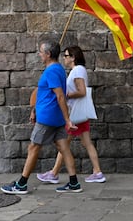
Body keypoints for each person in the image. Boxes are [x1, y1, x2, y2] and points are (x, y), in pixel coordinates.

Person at [1, 41, 82, 194]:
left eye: (40, 52)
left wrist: (67, 119)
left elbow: (59, 96)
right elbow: (44, 94)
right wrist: (34, 111)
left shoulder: (51, 72)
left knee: (33, 147)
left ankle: (21, 184)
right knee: (63, 148)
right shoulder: (58, 68)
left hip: (48, 117)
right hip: (53, 115)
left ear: (48, 54)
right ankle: (74, 183)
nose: (39, 54)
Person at [37, 46, 106, 184]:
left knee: (63, 143)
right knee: (85, 143)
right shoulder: (77, 70)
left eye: (67, 55)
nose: (64, 58)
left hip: (74, 114)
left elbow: (82, 91)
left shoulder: (78, 70)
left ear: (73, 57)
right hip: (79, 113)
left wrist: (67, 95)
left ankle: (54, 173)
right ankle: (97, 172)